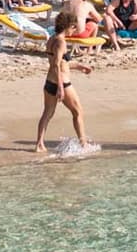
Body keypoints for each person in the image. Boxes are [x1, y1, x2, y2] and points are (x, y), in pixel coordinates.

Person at [33, 9, 95, 153]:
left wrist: (80, 66)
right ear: (68, 26)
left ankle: (39, 144)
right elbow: (56, 65)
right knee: (78, 112)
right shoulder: (61, 42)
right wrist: (61, 88)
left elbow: (61, 63)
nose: (74, 30)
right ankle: (83, 144)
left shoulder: (52, 39)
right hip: (62, 83)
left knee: (47, 113)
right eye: (74, 27)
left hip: (49, 82)